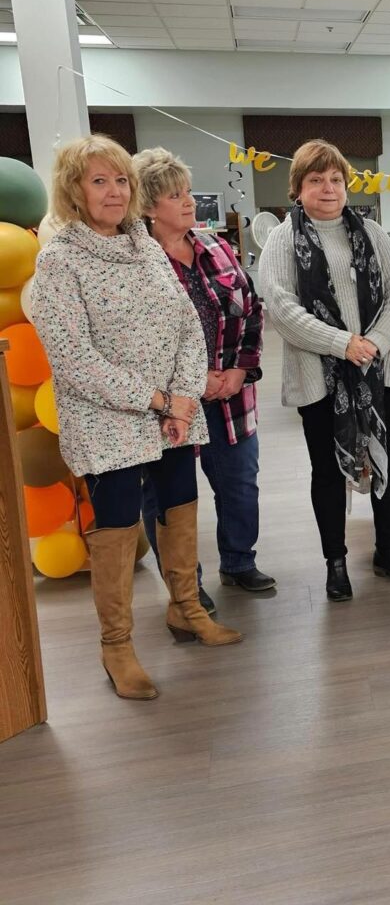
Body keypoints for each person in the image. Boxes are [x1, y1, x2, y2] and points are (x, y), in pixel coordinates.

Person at [31, 135, 242, 702]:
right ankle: (117, 646)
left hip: (171, 412)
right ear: (74, 190)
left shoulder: (144, 245)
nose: (114, 191)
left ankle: (186, 609)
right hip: (108, 422)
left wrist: (180, 398)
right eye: (99, 181)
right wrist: (157, 401)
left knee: (179, 506)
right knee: (119, 526)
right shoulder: (59, 260)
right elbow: (73, 361)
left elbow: (185, 325)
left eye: (121, 180)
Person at [260, 139, 390, 602]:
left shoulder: (372, 233)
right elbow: (281, 308)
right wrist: (342, 344)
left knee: (385, 460)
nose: (328, 189)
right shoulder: (282, 240)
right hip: (319, 380)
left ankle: (389, 550)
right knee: (328, 472)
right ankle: (336, 561)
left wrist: (372, 344)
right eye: (316, 180)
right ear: (298, 188)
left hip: (378, 372)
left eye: (335, 179)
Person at [134, 148, 273, 614]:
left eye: (188, 191)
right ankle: (185, 586)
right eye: (175, 195)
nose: (189, 202)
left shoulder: (215, 245)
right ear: (149, 207)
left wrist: (239, 369)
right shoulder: (135, 261)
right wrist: (192, 383)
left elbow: (251, 310)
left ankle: (238, 561)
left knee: (240, 483)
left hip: (231, 395)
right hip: (170, 405)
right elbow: (135, 338)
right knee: (169, 498)